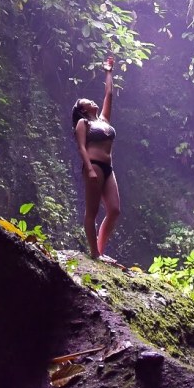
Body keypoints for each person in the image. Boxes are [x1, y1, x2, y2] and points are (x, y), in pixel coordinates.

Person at [72, 54, 121, 261]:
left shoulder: (103, 120)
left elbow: (109, 94)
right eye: (88, 102)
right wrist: (90, 169)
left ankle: (100, 250)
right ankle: (94, 253)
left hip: (108, 168)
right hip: (94, 166)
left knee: (115, 210)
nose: (93, 102)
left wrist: (108, 72)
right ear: (83, 109)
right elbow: (81, 147)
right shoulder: (83, 123)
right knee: (91, 211)